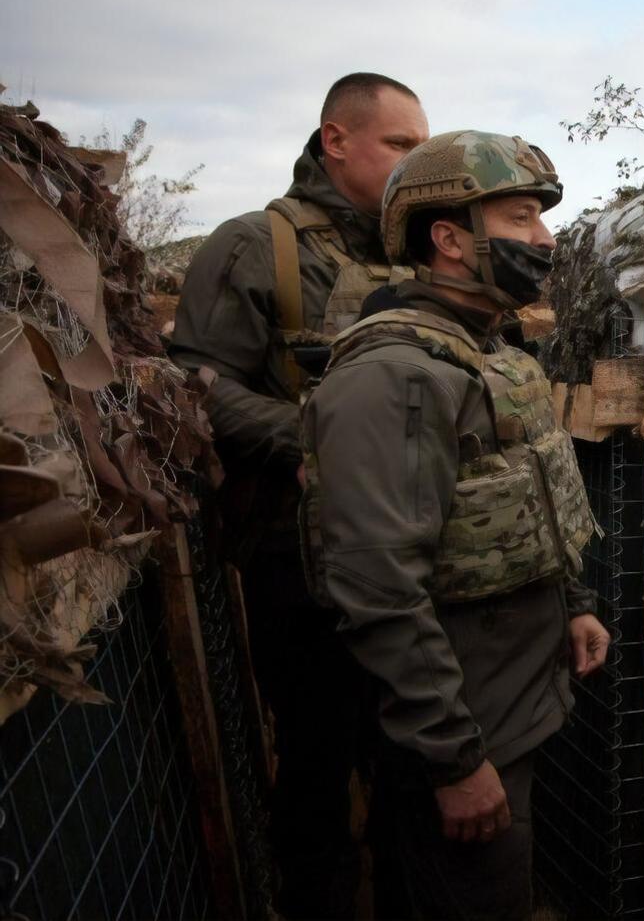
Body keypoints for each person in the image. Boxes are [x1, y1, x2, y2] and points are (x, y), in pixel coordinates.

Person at [299, 130, 611, 920]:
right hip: (462, 729)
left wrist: (570, 600)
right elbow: (376, 586)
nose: (544, 238)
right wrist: (454, 760)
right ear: (448, 239)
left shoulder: (488, 353)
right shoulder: (395, 376)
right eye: (519, 219)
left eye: (542, 218)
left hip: (508, 703)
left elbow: (524, 493)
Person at [169, 72, 429, 918]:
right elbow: (194, 383)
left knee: (411, 773)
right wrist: (312, 439)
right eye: (400, 145)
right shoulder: (254, 246)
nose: (412, 163)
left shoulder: (413, 255)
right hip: (300, 563)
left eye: (422, 149)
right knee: (317, 773)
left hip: (411, 558)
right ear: (336, 140)